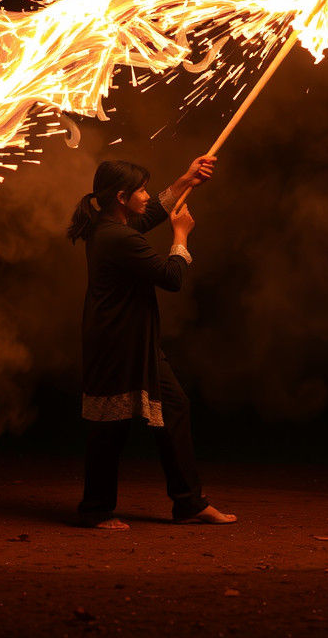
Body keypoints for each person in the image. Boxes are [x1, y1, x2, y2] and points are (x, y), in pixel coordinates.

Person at [67, 154, 237, 530]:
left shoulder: (109, 223)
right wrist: (181, 235)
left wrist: (187, 179)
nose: (148, 195)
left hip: (135, 340)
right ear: (122, 197)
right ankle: (95, 510)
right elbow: (171, 277)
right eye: (141, 190)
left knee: (174, 407)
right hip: (115, 342)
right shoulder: (117, 237)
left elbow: (148, 216)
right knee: (109, 426)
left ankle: (189, 503)